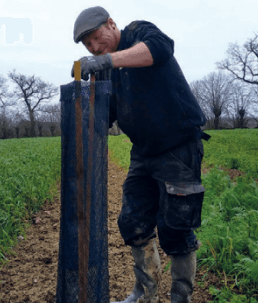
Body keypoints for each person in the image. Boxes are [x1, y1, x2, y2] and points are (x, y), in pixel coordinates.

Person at [71, 6, 211, 303]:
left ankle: (179, 298)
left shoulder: (138, 32)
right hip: (143, 153)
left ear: (111, 24)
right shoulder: (108, 69)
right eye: (88, 46)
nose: (95, 48)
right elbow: (107, 113)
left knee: (176, 228)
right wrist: (83, 105)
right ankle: (144, 293)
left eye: (97, 38)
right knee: (132, 221)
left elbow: (161, 48)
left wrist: (106, 60)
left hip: (178, 148)